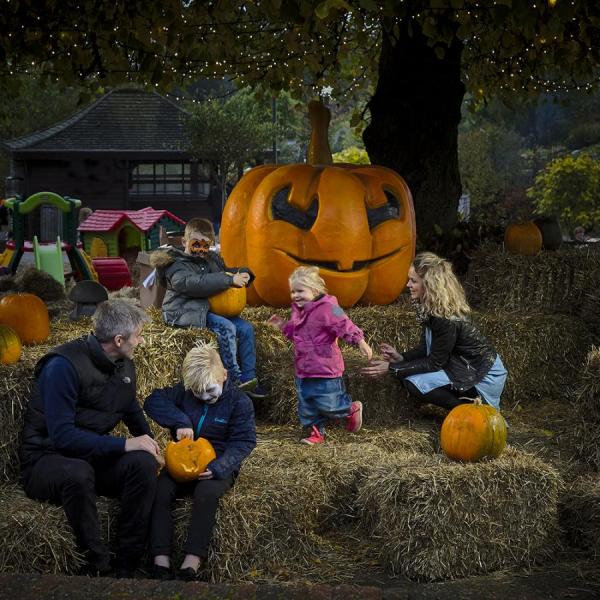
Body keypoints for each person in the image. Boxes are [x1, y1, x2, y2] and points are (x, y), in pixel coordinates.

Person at [19, 300, 162, 578]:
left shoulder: (123, 364)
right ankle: (97, 568)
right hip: (46, 460)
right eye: (138, 335)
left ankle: (127, 566)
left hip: (90, 456)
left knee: (143, 465)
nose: (142, 341)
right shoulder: (62, 366)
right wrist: (124, 444)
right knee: (78, 473)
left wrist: (151, 444)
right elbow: (62, 437)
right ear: (119, 340)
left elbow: (129, 407)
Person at [144, 342, 256, 581]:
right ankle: (160, 559)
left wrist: (220, 467)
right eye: (197, 393)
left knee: (206, 494)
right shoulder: (185, 393)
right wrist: (180, 420)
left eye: (210, 391)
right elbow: (152, 401)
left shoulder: (239, 403)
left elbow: (244, 442)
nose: (204, 397)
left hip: (216, 465)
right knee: (159, 490)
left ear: (224, 375)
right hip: (181, 462)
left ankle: (191, 561)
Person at [362, 252, 507, 411]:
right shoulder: (432, 309)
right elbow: (426, 348)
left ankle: (468, 412)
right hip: (462, 367)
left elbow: (435, 362)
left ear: (429, 285)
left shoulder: (445, 319)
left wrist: (391, 368)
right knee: (409, 375)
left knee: (414, 382)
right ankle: (467, 410)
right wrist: (401, 358)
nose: (408, 285)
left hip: (481, 375)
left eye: (413, 281)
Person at [150, 217, 267, 399]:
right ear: (184, 242)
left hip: (206, 309)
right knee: (226, 327)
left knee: (245, 328)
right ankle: (233, 380)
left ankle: (249, 378)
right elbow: (193, 283)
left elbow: (227, 270)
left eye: (206, 246)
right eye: (196, 245)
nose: (201, 251)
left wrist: (243, 273)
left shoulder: (210, 259)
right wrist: (229, 280)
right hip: (184, 312)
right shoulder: (175, 264)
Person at [267, 266, 373, 445]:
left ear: (315, 290)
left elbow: (345, 323)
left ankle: (351, 409)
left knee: (329, 404)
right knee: (307, 405)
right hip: (304, 368)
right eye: (293, 291)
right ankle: (316, 433)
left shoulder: (330, 307)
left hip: (325, 368)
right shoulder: (298, 310)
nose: (295, 295)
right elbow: (295, 333)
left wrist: (360, 340)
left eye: (300, 291)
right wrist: (283, 325)